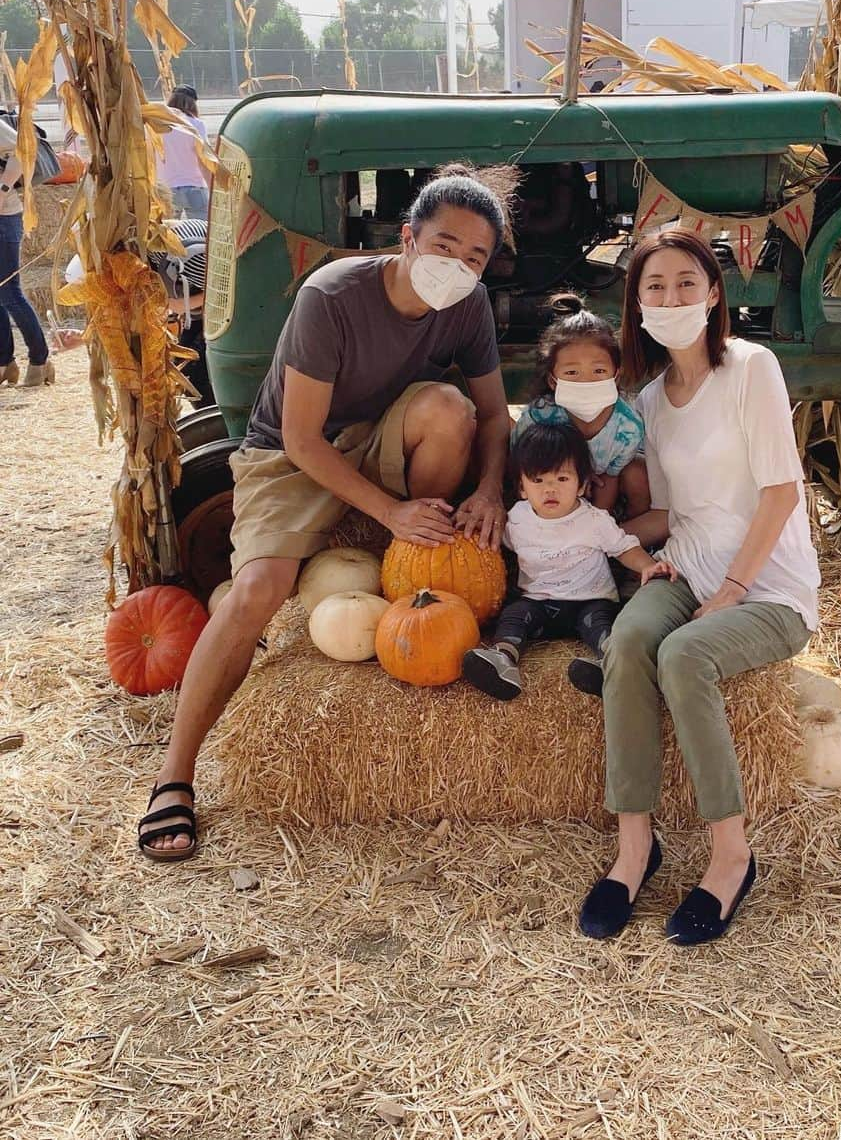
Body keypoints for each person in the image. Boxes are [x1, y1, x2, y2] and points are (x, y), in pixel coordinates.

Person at [137, 164, 514, 861]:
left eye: (475, 256)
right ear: (407, 237)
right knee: (255, 591)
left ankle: (393, 571)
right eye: (444, 245)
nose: (457, 265)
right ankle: (174, 775)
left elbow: (493, 415)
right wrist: (394, 510)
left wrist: (490, 490)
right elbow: (304, 439)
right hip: (290, 453)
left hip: (380, 436)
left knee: (448, 411)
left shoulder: (468, 305)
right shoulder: (332, 296)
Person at [577, 228, 820, 946]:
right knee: (628, 641)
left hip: (767, 585)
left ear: (714, 294)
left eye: (687, 282)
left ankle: (730, 858)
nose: (671, 297)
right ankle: (634, 849)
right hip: (685, 564)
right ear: (638, 303)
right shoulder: (647, 399)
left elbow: (781, 492)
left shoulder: (751, 368)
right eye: (655, 286)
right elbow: (669, 512)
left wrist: (735, 587)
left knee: (684, 655)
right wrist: (588, 521)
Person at [462, 422, 674, 701]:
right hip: (539, 603)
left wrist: (647, 566)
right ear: (522, 487)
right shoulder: (516, 519)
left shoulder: (594, 520)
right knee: (514, 616)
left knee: (602, 624)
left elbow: (623, 548)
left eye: (562, 479)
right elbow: (487, 543)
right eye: (538, 480)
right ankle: (503, 659)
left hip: (590, 600)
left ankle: (611, 663)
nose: (550, 489)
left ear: (582, 485)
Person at [511, 299, 649, 516]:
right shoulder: (537, 418)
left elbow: (609, 479)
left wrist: (592, 524)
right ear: (553, 381)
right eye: (572, 373)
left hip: (597, 493)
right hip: (546, 493)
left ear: (616, 375)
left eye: (599, 371)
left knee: (637, 474)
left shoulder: (628, 428)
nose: (586, 382)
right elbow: (522, 471)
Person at [0, 138, 53, 389]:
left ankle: (39, 360)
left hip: (3, 216)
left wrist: (3, 188)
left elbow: (23, 148)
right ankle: (5, 363)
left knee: (10, 292)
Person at [156, 85, 211, 220]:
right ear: (193, 104)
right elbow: (203, 159)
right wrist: (212, 186)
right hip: (195, 187)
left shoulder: (157, 124)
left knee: (168, 236)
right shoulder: (197, 125)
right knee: (201, 231)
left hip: (166, 189)